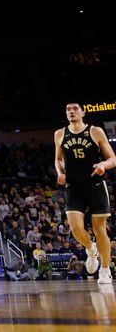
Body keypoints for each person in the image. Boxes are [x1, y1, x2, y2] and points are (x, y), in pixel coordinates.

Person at [54, 102, 116, 285]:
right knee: (75, 229)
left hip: (95, 184)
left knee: (99, 229)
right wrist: (60, 173)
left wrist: (103, 165)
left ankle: (105, 270)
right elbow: (58, 159)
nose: (71, 112)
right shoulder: (59, 134)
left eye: (75, 109)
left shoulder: (95, 131)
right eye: (68, 110)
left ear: (82, 112)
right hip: (73, 186)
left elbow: (112, 158)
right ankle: (90, 248)